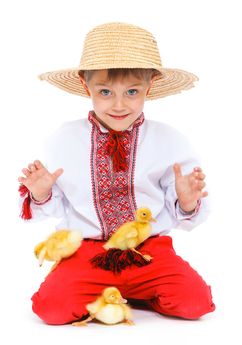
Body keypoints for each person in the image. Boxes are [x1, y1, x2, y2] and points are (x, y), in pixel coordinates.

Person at [18, 22, 215, 325]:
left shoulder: (169, 140)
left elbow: (184, 213)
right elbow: (55, 208)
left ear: (150, 87)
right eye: (105, 92)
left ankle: (130, 290)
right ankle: (108, 291)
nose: (119, 105)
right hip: (88, 253)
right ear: (87, 87)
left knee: (195, 303)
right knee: (51, 309)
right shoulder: (63, 139)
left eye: (132, 91)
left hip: (149, 253)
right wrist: (41, 193)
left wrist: (187, 201)